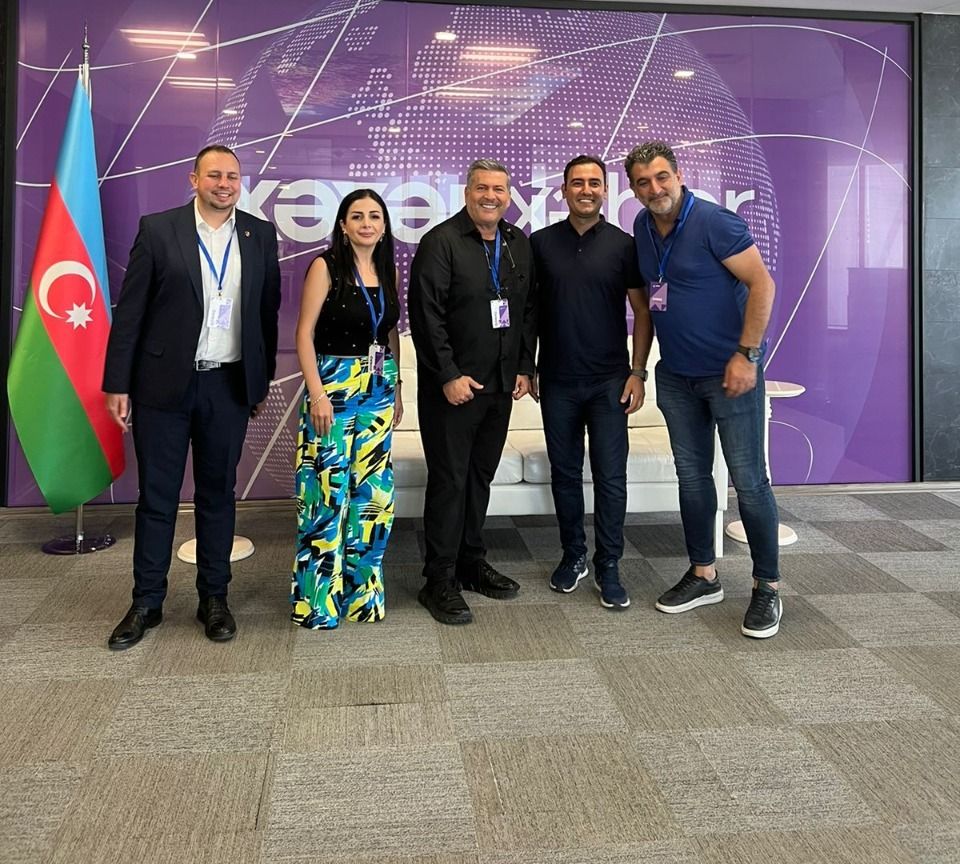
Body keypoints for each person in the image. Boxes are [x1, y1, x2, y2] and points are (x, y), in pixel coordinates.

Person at [103, 144, 281, 649]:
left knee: (217, 494)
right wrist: (117, 382)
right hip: (162, 386)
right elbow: (131, 312)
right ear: (193, 179)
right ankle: (146, 602)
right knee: (157, 498)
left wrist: (261, 380)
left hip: (227, 387)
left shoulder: (259, 234)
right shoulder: (159, 230)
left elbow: (266, 314)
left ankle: (214, 598)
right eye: (214, 175)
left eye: (232, 176)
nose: (224, 184)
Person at [625, 140, 782, 638]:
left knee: (749, 482)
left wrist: (747, 355)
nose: (654, 188)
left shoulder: (716, 222)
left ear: (678, 175)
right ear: (633, 189)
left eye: (661, 177)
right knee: (692, 480)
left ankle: (767, 586)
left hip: (730, 375)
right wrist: (640, 370)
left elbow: (762, 284)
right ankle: (703, 575)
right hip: (676, 376)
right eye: (643, 182)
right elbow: (649, 304)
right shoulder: (641, 227)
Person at [408, 159, 536, 625]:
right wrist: (448, 374)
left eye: (499, 189)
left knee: (480, 476)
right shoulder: (440, 242)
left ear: (508, 196)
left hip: (500, 386)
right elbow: (426, 315)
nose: (491, 196)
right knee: (450, 481)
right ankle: (438, 578)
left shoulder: (517, 243)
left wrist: (524, 367)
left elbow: (527, 311)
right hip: (454, 390)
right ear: (466, 193)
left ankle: (469, 561)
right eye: (482, 188)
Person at [531, 155, 649, 610]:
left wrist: (637, 372)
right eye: (577, 183)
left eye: (594, 183)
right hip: (557, 381)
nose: (586, 190)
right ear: (563, 190)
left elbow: (642, 312)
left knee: (610, 477)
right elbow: (528, 312)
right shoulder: (540, 243)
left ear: (605, 190)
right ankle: (573, 554)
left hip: (609, 383)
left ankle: (609, 564)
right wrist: (528, 366)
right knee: (564, 475)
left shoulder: (624, 245)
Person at [290, 189, 402, 629]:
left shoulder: (388, 269)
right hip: (332, 385)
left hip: (378, 386)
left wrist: (397, 389)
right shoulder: (325, 266)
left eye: (374, 216)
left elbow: (388, 333)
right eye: (357, 216)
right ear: (343, 224)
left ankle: (362, 599)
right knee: (327, 493)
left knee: (373, 496)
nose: (366, 224)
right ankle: (318, 603)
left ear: (384, 226)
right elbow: (304, 334)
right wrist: (317, 394)